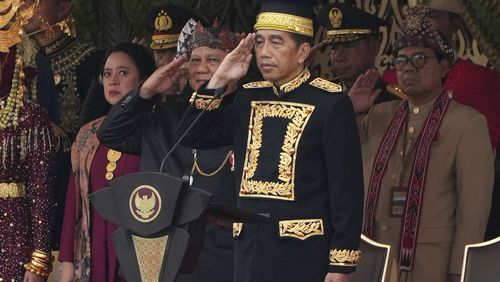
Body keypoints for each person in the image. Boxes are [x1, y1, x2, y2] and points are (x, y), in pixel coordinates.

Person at [123, 1, 365, 281]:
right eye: (260, 43)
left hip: (303, 254)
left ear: (302, 52)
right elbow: (190, 135)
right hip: (249, 250)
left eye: (276, 43)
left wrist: (340, 266)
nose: (265, 53)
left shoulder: (330, 103)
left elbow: (346, 190)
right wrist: (220, 78)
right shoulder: (248, 98)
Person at [350, 6, 494, 281]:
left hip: (431, 264)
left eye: (419, 59)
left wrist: (459, 270)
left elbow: (472, 212)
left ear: (443, 66)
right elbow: (338, 160)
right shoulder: (379, 114)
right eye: (400, 60)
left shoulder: (466, 122)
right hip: (372, 259)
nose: (407, 68)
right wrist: (349, 110)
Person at [98, 22, 241, 282]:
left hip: (220, 260)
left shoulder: (244, 116)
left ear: (236, 65)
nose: (202, 68)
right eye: (195, 60)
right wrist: (146, 91)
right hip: (157, 258)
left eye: (213, 59)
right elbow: (110, 134)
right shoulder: (165, 116)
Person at [58, 43, 155, 282]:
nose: (113, 81)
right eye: (107, 74)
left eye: (123, 73)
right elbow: (74, 204)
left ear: (144, 79)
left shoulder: (156, 128)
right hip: (95, 246)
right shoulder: (87, 135)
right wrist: (68, 266)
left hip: (140, 246)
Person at [22, 0, 106, 249]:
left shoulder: (94, 62)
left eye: (36, 1)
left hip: (72, 187)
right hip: (24, 191)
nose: (27, 6)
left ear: (63, 8)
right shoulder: (17, 66)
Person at [0, 1, 56, 281]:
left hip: (14, 241)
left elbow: (41, 193)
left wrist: (39, 260)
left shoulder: (31, 118)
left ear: (14, 60)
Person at [318, 3, 405, 103]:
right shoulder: (320, 96)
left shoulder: (395, 101)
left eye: (348, 46)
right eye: (334, 47)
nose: (338, 56)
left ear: (373, 48)